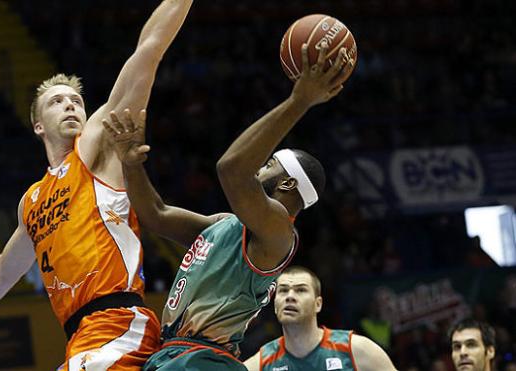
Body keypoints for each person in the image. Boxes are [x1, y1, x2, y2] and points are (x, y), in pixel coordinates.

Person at [0, 1, 193, 370]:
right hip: (81, 337)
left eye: (76, 101)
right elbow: (2, 271)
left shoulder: (94, 148)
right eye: (57, 101)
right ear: (38, 125)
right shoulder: (32, 201)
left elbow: (148, 50)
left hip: (119, 322)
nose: (70, 106)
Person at [103, 42, 354, 369]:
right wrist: (130, 164)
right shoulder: (225, 224)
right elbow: (156, 215)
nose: (260, 164)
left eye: (271, 163)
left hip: (207, 359)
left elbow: (232, 168)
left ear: (288, 184)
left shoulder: (278, 234)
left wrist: (299, 101)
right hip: (173, 355)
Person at [244, 266, 397, 370]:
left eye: (300, 290)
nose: (290, 296)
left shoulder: (357, 350)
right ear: (276, 305)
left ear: (318, 304)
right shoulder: (262, 363)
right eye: (283, 291)